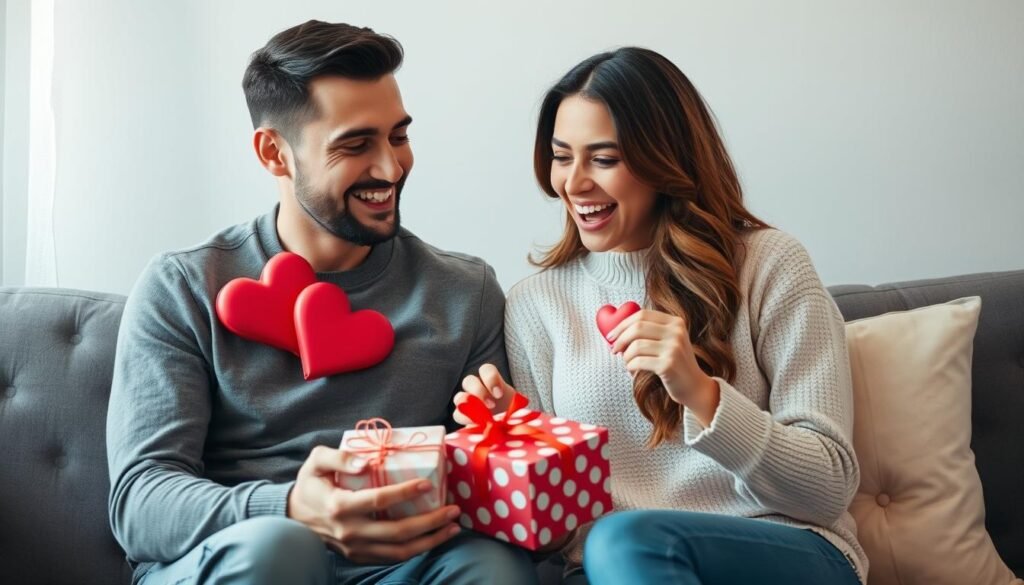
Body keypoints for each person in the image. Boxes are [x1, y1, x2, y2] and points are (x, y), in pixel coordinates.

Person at [107, 20, 538, 585]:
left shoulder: (464, 292)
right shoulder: (183, 287)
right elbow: (140, 501)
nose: (390, 168)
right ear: (274, 153)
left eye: (398, 137)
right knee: (280, 550)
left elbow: (489, 481)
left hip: (401, 565)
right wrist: (289, 508)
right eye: (356, 145)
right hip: (248, 557)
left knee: (493, 565)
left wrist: (507, 439)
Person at [455, 47, 867, 584]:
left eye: (604, 159)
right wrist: (523, 448)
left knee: (622, 537)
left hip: (786, 555)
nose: (573, 184)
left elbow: (828, 488)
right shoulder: (537, 304)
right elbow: (558, 543)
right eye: (561, 157)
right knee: (614, 543)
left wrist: (700, 392)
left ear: (665, 162)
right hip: (615, 570)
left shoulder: (770, 265)